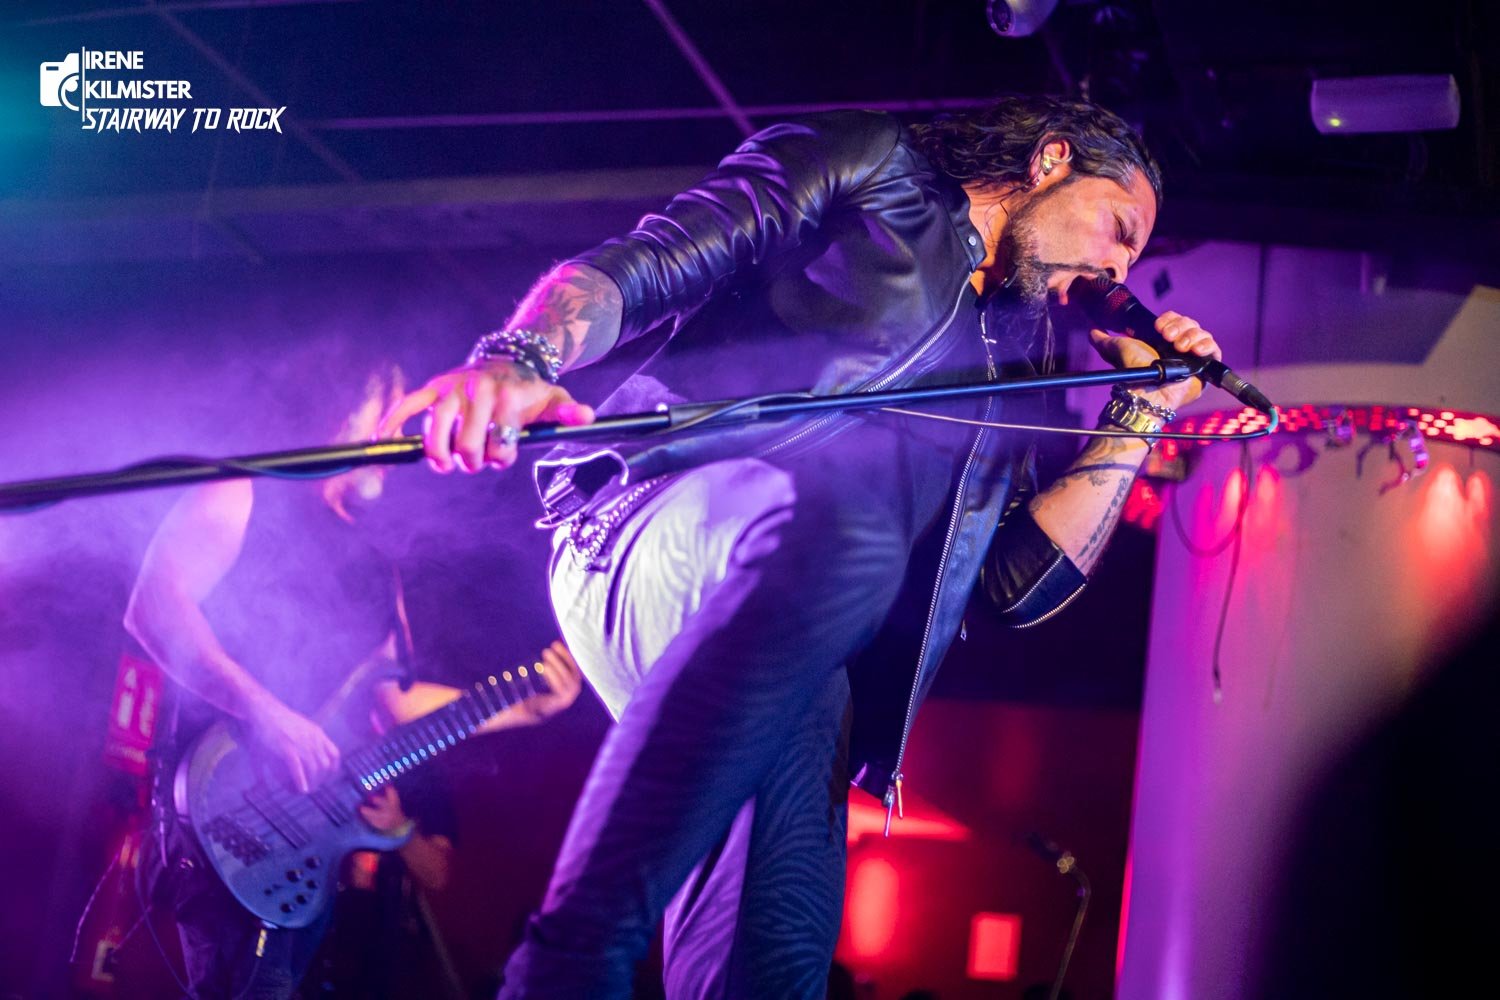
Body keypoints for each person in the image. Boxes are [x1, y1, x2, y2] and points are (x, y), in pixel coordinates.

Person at [380, 96, 1223, 999]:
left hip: (802, 646)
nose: (1119, 270)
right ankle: (568, 962)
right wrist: (521, 355)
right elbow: (660, 260)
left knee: (778, 962)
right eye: (1119, 229)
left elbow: (1009, 587)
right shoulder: (878, 166)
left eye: (1134, 259)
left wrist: (1139, 414)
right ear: (1051, 161)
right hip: (649, 527)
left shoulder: (1018, 368)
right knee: (847, 528)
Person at [123, 360, 584, 998]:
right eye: (388, 410)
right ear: (338, 412)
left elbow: (393, 702)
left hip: (300, 837)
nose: (402, 434)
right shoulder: (241, 489)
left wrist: (524, 708)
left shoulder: (374, 566)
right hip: (219, 810)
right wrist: (267, 714)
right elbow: (153, 608)